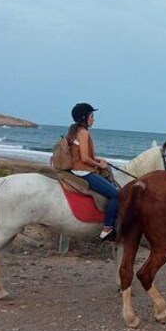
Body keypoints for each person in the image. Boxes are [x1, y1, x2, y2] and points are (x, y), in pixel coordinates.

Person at [67, 103, 119, 241]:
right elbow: (84, 158)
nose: (93, 119)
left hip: (76, 170)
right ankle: (107, 228)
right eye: (92, 116)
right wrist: (99, 165)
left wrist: (97, 159)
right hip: (83, 172)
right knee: (116, 194)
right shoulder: (83, 133)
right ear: (84, 117)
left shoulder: (75, 130)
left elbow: (80, 154)